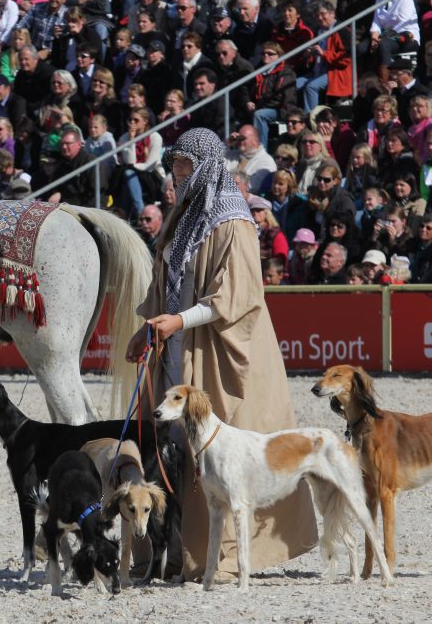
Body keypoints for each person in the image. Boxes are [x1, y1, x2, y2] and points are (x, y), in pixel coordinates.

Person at [125, 127, 317, 582]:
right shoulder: (183, 213)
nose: (177, 173)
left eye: (185, 165)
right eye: (174, 165)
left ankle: (222, 559)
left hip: (217, 348)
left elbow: (237, 294)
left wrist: (179, 321)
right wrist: (147, 327)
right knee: (169, 449)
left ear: (207, 164)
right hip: (174, 344)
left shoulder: (233, 220)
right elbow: (164, 281)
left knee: (220, 453)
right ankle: (168, 551)